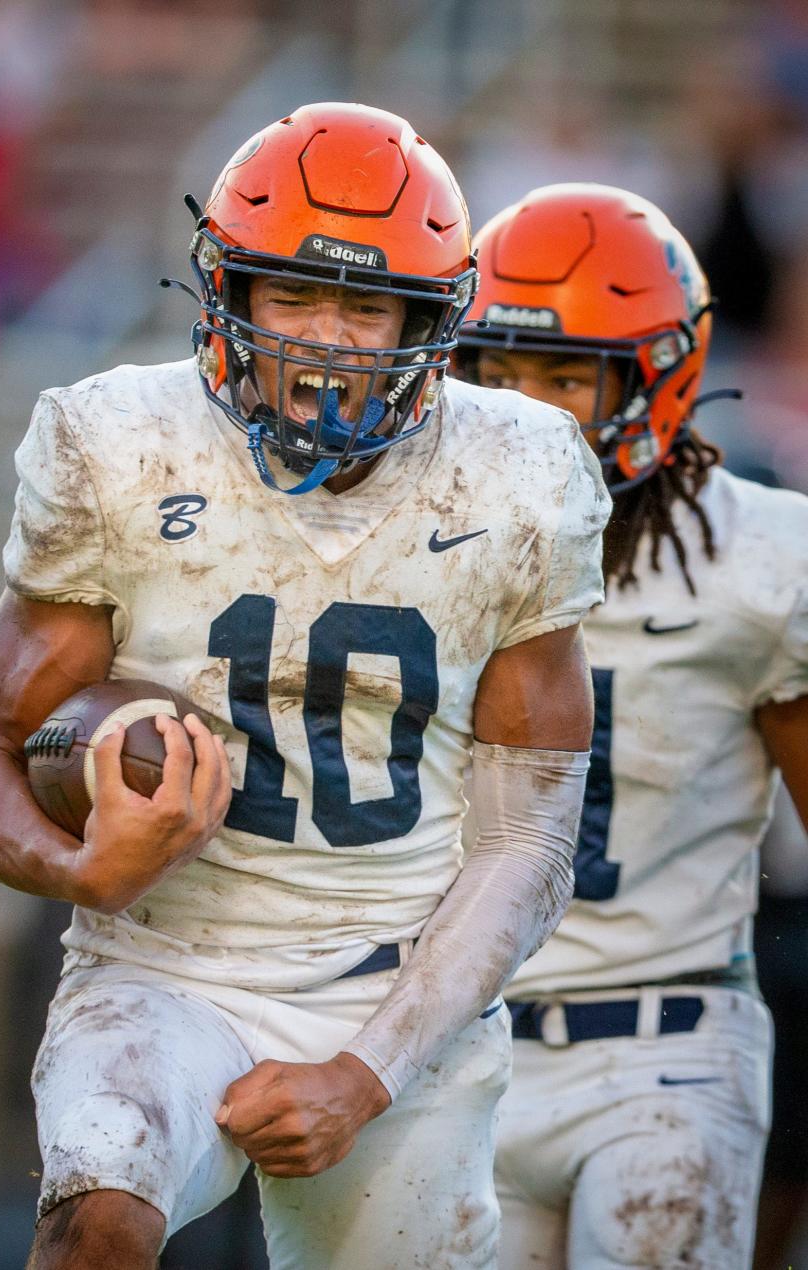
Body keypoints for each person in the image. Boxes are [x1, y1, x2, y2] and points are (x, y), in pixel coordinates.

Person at [0, 105, 611, 1270]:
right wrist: (76, 866)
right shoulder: (118, 445)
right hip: (162, 960)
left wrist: (368, 1072)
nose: (328, 338)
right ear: (233, 296)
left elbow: (533, 840)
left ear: (427, 319)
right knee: (93, 1223)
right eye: (294, 294)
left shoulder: (522, 473)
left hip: (399, 976)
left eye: (366, 304)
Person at [455, 182, 808, 1269]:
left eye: (567, 374)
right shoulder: (411, 540)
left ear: (657, 375)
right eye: (499, 369)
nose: (526, 408)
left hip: (669, 1041)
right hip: (453, 1039)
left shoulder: (756, 556)